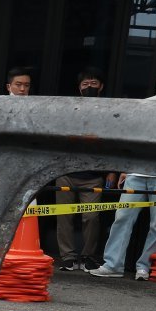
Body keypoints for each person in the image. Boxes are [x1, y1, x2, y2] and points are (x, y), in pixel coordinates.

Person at [88, 61, 156, 281]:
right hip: (137, 173)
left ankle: (144, 266)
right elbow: (135, 138)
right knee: (122, 218)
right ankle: (113, 265)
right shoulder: (147, 104)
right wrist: (125, 169)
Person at [55, 67, 114, 271]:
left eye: (93, 83)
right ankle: (68, 257)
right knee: (64, 216)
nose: (89, 87)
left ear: (101, 86)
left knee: (91, 217)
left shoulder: (109, 111)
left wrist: (111, 170)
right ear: (79, 88)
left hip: (93, 175)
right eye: (85, 84)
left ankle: (88, 256)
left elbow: (113, 142)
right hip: (67, 173)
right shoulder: (70, 109)